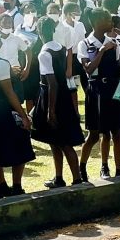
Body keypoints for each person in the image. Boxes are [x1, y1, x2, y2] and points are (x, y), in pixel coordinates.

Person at [77, 9, 120, 180]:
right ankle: (84, 167)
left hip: (114, 89)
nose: (111, 23)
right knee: (96, 133)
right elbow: (88, 69)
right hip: (97, 91)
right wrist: (102, 50)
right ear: (97, 22)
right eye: (108, 20)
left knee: (117, 131)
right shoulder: (85, 44)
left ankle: (118, 170)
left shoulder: (117, 43)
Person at [0, 28, 35, 196]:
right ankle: (16, 185)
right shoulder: (0, 63)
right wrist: (23, 115)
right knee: (21, 144)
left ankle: (1, 183)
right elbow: (9, 92)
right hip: (4, 109)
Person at [30, 16, 84, 187]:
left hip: (52, 98)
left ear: (39, 32)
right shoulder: (60, 48)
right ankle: (59, 177)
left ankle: (77, 179)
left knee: (64, 142)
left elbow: (52, 83)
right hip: (64, 96)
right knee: (54, 140)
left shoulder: (44, 54)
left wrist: (50, 111)